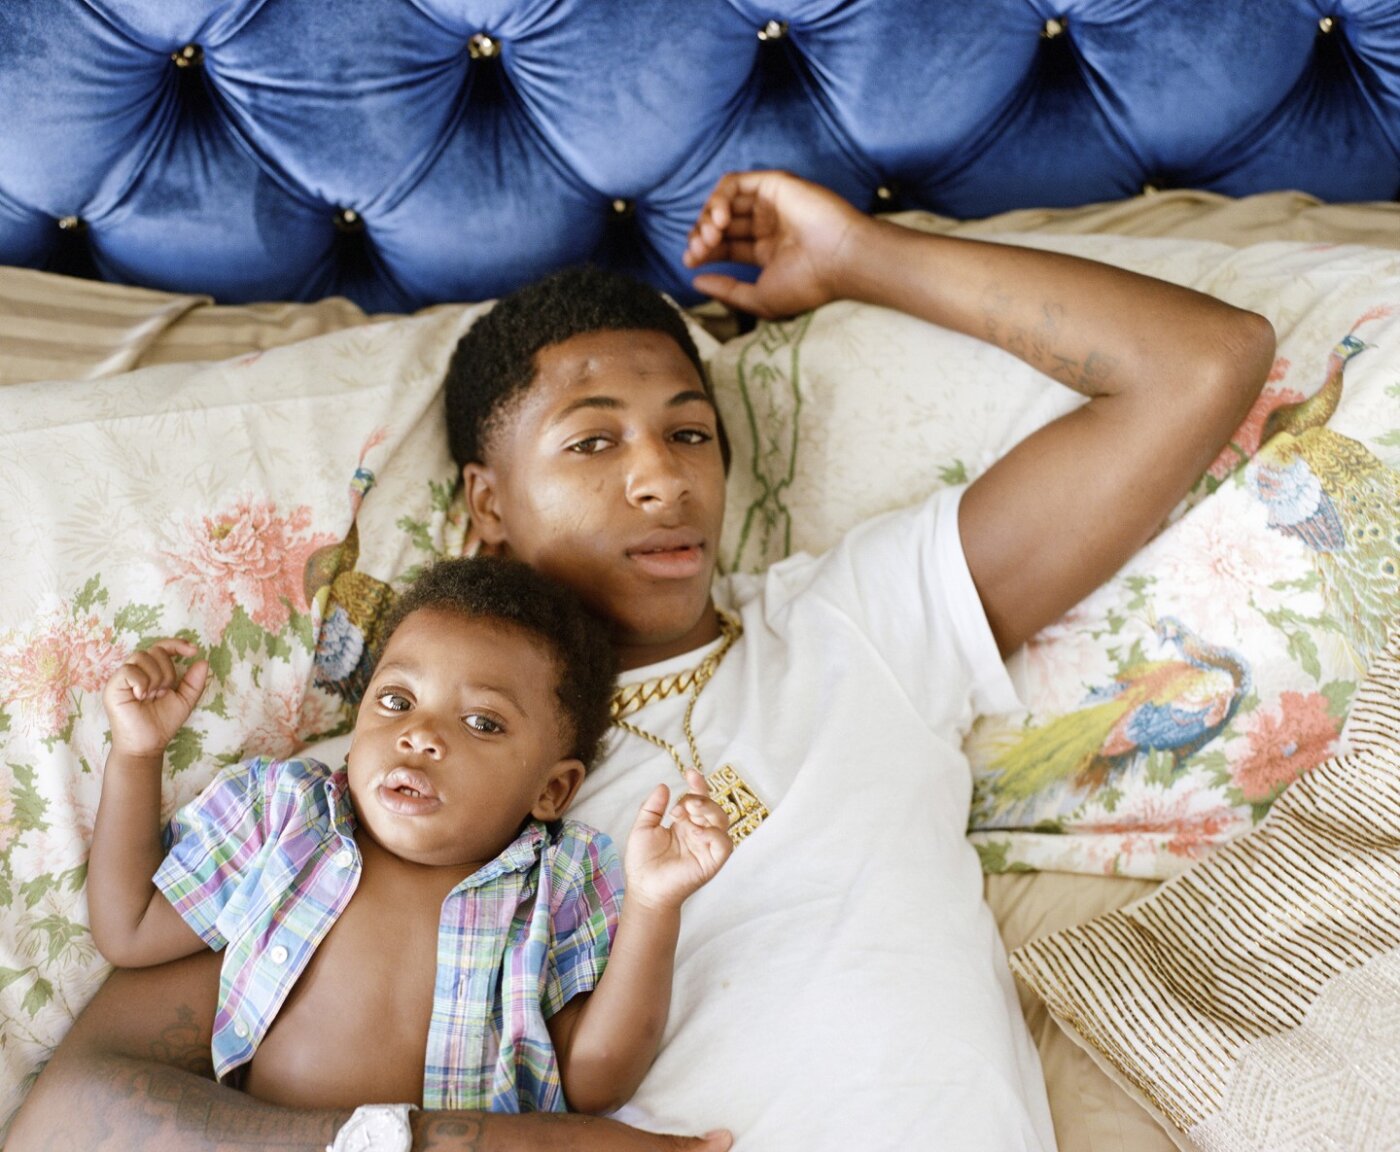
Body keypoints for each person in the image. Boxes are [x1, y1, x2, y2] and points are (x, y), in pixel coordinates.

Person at [8, 169, 1273, 1151]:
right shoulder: (400, 782)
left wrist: (860, 258)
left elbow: (1200, 364)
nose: (662, 477)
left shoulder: (857, 625)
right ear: (485, 506)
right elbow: (73, 1119)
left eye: (689, 432)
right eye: (592, 442)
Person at [84, 559, 732, 1123]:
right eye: (397, 700)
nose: (420, 735)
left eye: (481, 722)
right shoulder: (283, 815)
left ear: (552, 790)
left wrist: (654, 905)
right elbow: (130, 928)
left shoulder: (557, 884)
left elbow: (596, 1080)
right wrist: (137, 754)